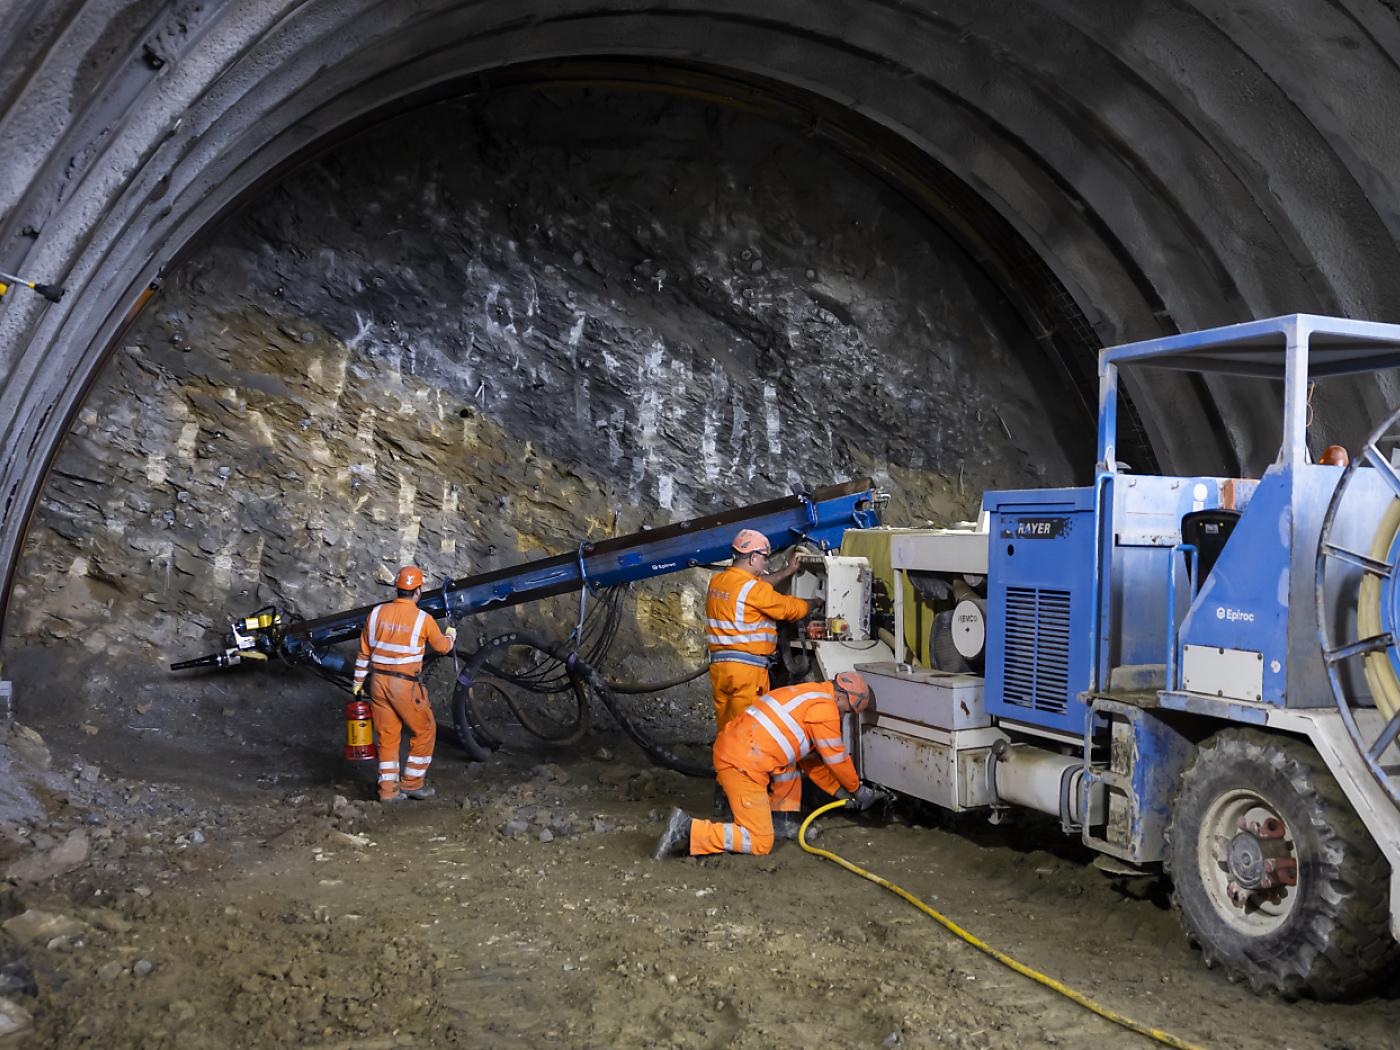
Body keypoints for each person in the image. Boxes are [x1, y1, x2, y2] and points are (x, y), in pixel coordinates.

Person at [654, 671, 879, 859]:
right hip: (742, 764)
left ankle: (781, 821)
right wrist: (858, 790)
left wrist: (840, 793)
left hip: (738, 749)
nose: (843, 715)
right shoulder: (825, 710)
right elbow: (836, 758)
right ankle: (687, 828)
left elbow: (811, 762)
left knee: (788, 765)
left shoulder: (809, 693)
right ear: (842, 697)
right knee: (760, 842)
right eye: (847, 710)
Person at [352, 565, 457, 802]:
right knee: (425, 730)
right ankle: (412, 784)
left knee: (388, 736)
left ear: (397, 589)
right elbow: (442, 647)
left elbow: (363, 653)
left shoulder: (376, 613)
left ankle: (388, 791)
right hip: (404, 685)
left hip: (377, 683)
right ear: (418, 591)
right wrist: (451, 634)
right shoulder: (423, 619)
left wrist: (358, 683)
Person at [706, 529, 820, 733]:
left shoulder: (719, 582)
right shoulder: (754, 591)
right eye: (764, 558)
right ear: (753, 558)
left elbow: (753, 587)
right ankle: (745, 765)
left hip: (720, 669)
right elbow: (790, 609)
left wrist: (787, 571)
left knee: (727, 728)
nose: (765, 563)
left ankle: (725, 764)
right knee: (748, 730)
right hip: (746, 672)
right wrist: (816, 601)